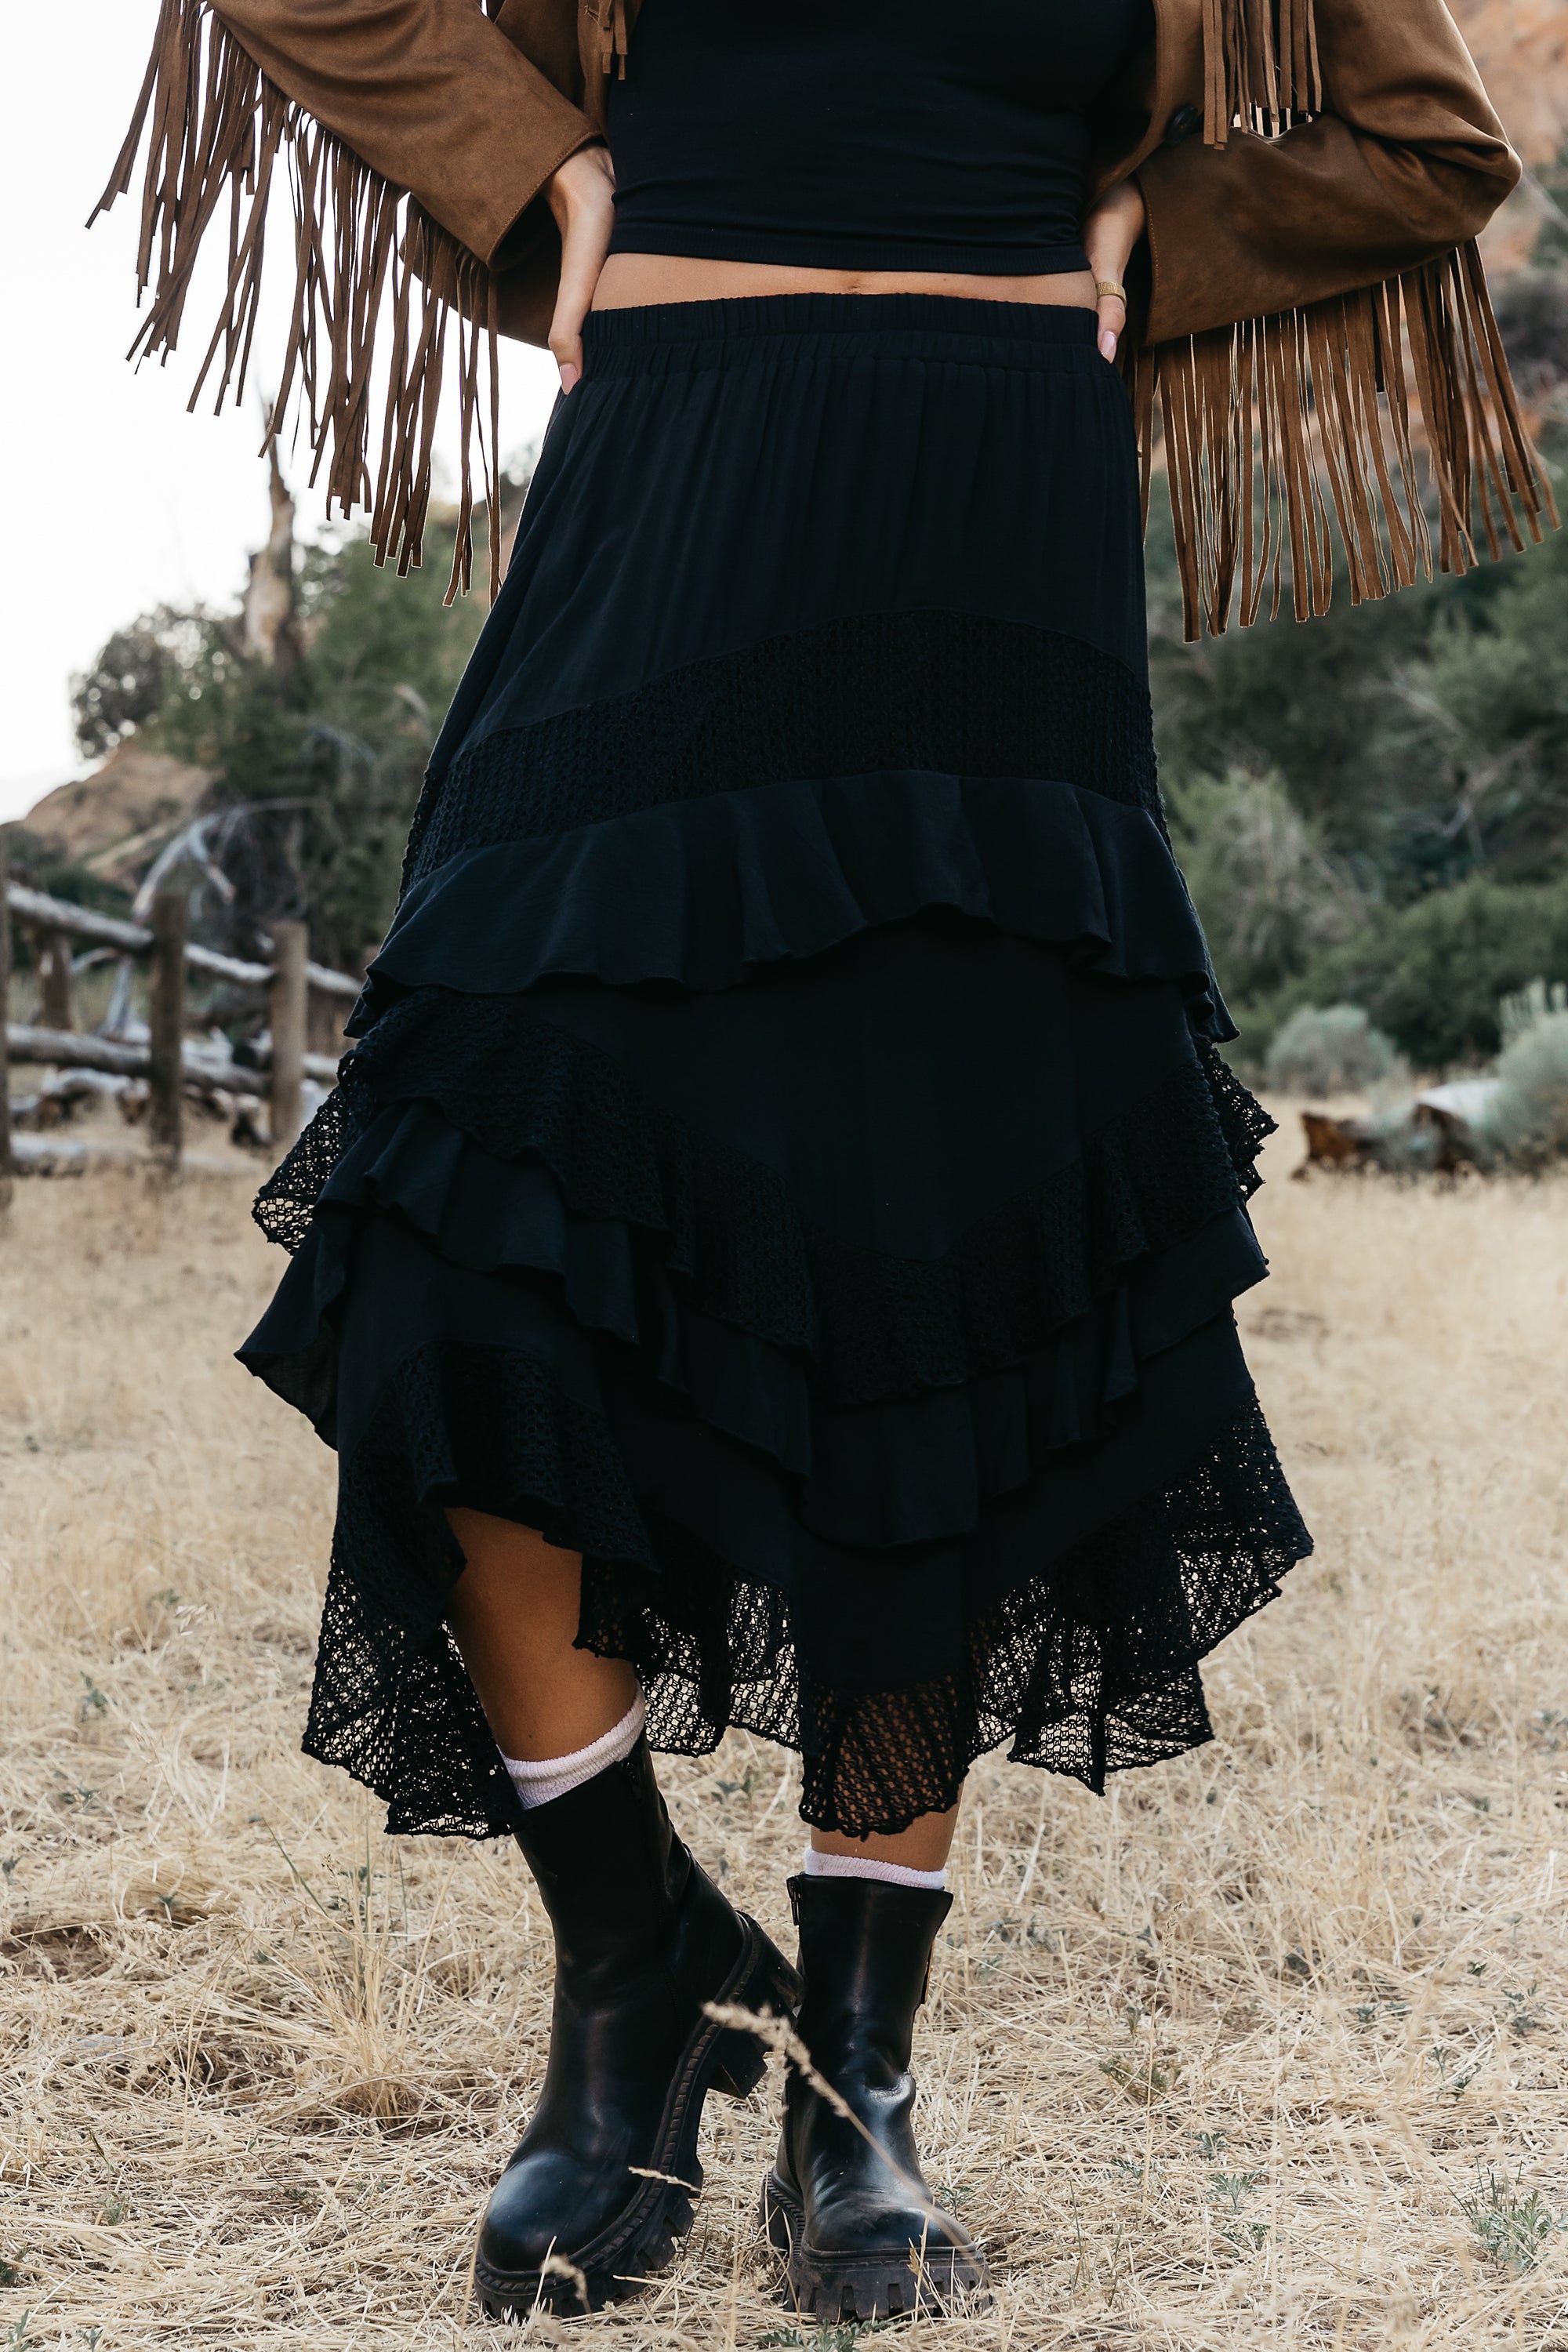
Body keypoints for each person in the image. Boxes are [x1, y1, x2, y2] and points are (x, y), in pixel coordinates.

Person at [101, 0, 1550, 2321]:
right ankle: (636, 1956)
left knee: (933, 1275)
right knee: (451, 1217)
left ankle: (861, 2070)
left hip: (998, 486)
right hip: (675, 450)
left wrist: (1162, 228)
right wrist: (540, 163)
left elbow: (1426, 141)